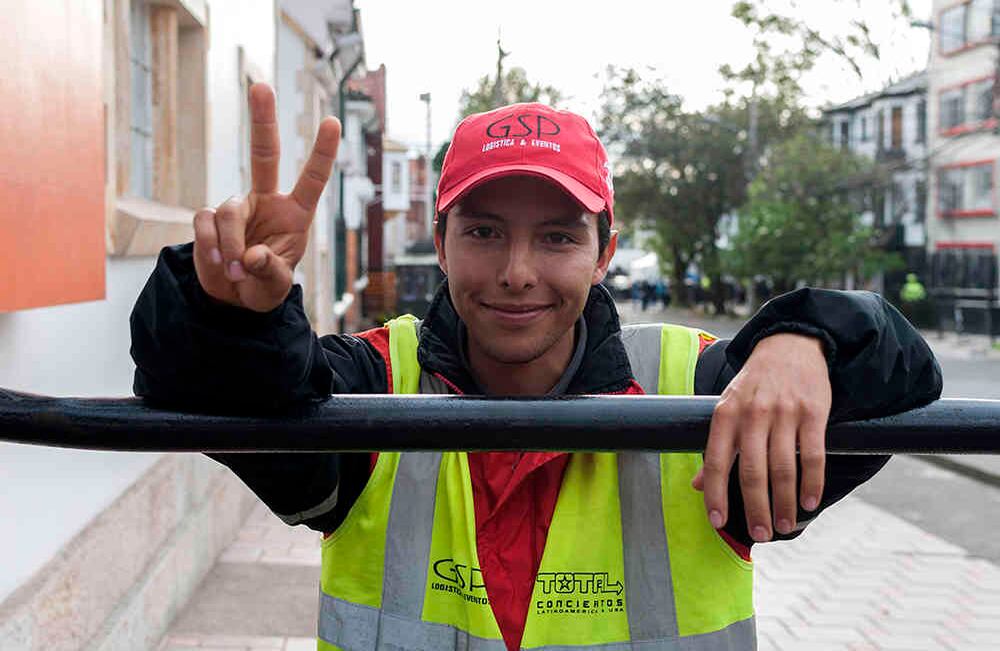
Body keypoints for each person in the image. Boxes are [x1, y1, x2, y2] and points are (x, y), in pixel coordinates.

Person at [130, 84, 942, 651]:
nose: (518, 270)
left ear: (605, 254)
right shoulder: (373, 383)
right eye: (484, 232)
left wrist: (808, 338)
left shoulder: (698, 393)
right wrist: (231, 305)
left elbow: (902, 375)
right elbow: (212, 382)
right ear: (439, 240)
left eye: (557, 236)